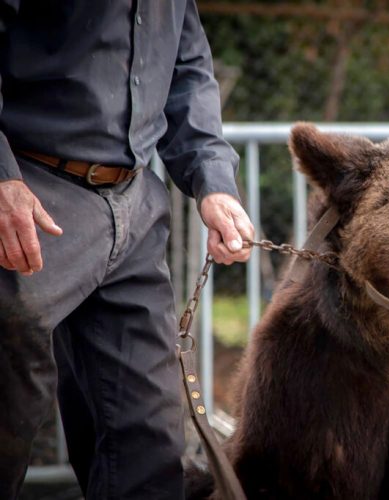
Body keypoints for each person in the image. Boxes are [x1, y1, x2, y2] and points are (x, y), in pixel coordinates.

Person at [0, 1, 254, 498]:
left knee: (149, 440)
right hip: (28, 197)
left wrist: (214, 181)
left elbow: (188, 69)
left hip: (136, 208)